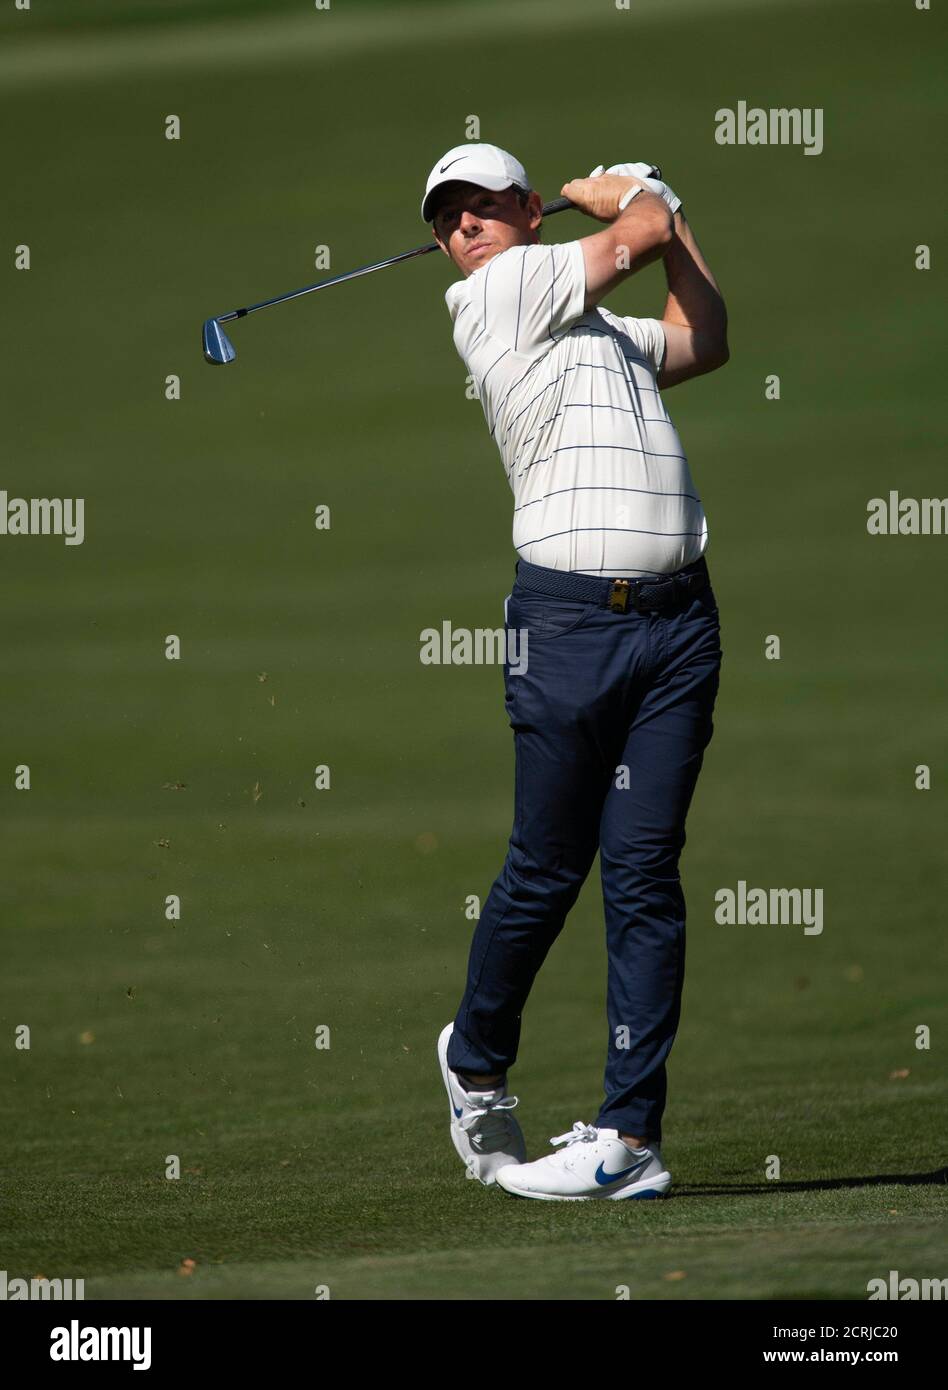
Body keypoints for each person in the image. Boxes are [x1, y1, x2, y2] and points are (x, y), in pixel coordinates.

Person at [427, 143, 728, 1201]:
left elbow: (705, 337)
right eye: (444, 218)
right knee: (550, 866)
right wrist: (643, 202)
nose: (461, 227)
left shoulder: (591, 325)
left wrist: (666, 213)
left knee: (644, 871)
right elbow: (636, 236)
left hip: (678, 626)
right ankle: (475, 1057)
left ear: (525, 208)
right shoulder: (498, 299)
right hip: (568, 631)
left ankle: (629, 1141)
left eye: (480, 206)